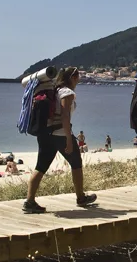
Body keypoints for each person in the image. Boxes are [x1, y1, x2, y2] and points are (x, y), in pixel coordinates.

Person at [23, 67, 97, 213]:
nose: (79, 79)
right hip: (60, 134)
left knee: (41, 166)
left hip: (45, 134)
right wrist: (69, 140)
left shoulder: (54, 90)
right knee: (76, 163)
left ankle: (29, 201)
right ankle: (80, 197)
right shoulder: (67, 93)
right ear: (73, 78)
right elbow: (65, 116)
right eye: (78, 76)